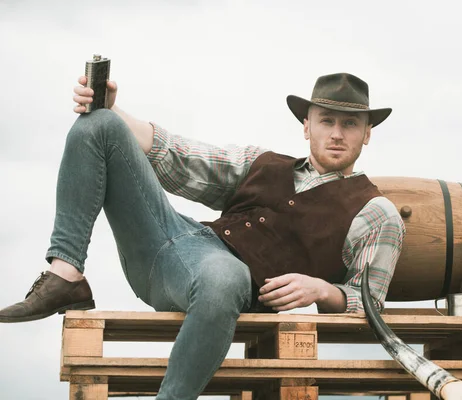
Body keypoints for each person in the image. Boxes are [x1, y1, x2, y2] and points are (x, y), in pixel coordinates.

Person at [0, 72, 405, 399]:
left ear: (367, 133)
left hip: (223, 284)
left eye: (350, 123)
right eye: (327, 120)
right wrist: (113, 108)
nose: (337, 133)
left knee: (223, 276)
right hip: (168, 241)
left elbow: (368, 304)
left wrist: (321, 290)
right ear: (306, 126)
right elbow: (181, 155)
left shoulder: (375, 213)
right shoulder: (260, 163)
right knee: (99, 123)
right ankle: (65, 274)